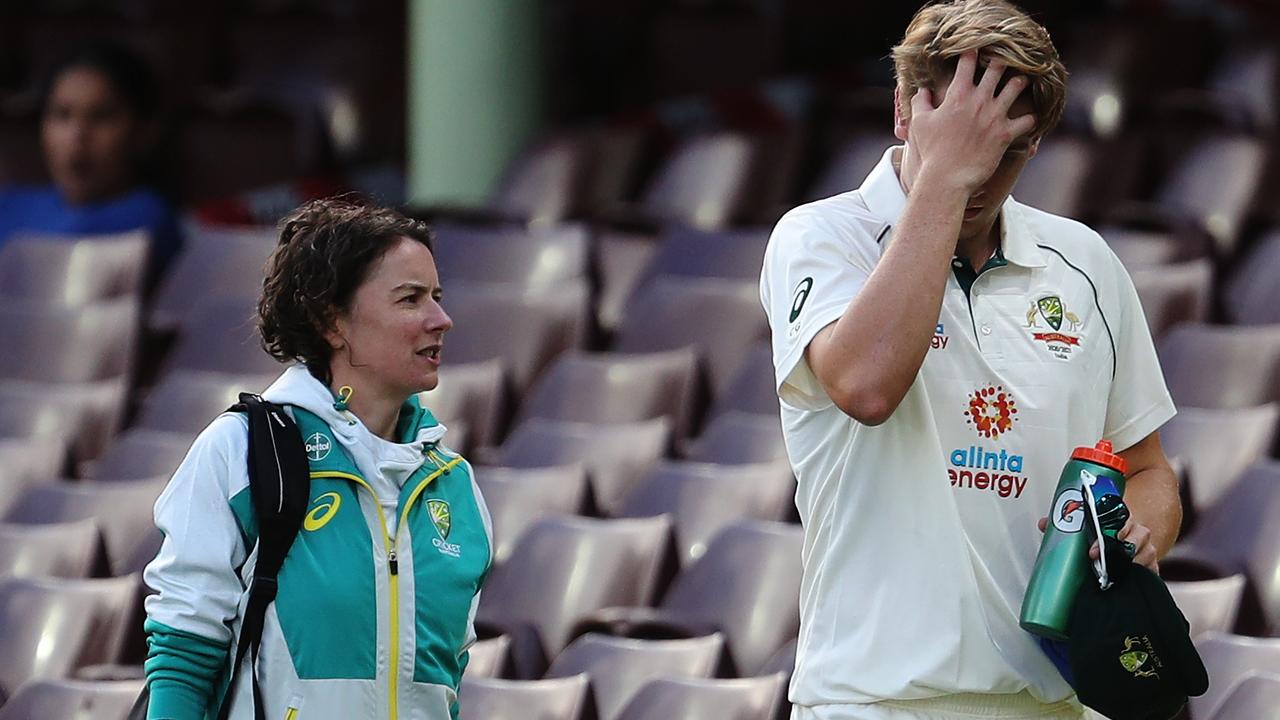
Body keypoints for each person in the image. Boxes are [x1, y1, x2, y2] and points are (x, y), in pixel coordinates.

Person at [759, 2, 1182, 718]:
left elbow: (1148, 472)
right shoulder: (821, 237)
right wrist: (943, 182)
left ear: (1037, 144)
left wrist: (1138, 529)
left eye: (1007, 153)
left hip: (1052, 703)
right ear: (903, 111)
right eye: (965, 144)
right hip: (874, 702)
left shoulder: (1084, 264)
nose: (982, 175)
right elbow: (865, 386)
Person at [142, 199, 491, 720]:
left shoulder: (455, 486)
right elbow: (183, 656)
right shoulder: (240, 451)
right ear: (332, 322)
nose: (441, 319)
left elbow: (447, 685)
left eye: (436, 297)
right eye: (410, 299)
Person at [0, 41, 182, 284]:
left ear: (144, 131)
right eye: (62, 114)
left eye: (101, 116)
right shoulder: (11, 204)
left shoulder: (146, 219)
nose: (77, 136)